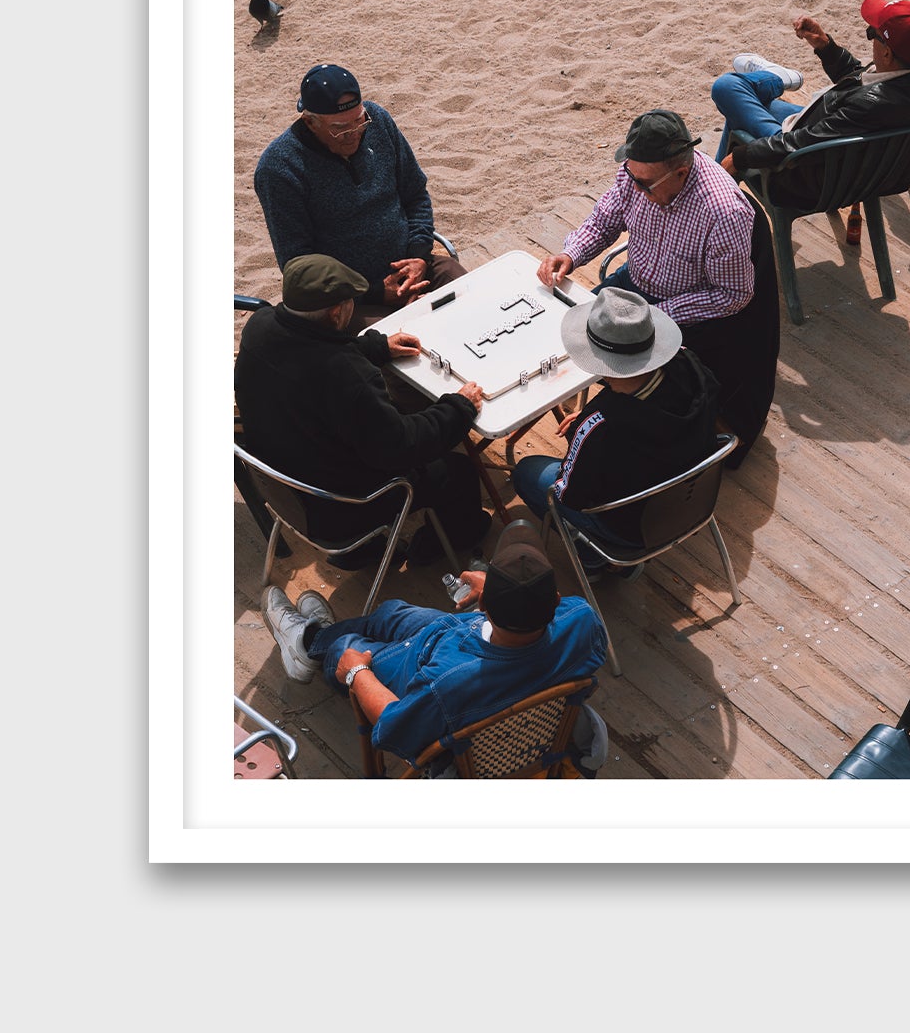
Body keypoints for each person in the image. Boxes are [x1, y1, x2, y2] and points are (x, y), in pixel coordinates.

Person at [260, 517, 609, 772]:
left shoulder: (447, 684)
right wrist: (503, 589)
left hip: (427, 664)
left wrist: (357, 673)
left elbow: (394, 724)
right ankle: (318, 637)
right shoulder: (583, 620)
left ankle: (308, 643)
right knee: (391, 613)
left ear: (483, 605)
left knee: (346, 648)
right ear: (556, 599)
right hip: (461, 639)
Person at [536, 109, 773, 464]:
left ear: (680, 173)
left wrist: (657, 316)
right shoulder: (637, 171)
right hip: (632, 286)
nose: (633, 187)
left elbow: (733, 294)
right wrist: (571, 253)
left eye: (644, 184)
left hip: (686, 312)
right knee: (563, 335)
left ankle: (599, 426)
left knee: (628, 384)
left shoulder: (725, 213)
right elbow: (605, 220)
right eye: (630, 176)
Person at [234, 252, 491, 561]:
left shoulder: (259, 326)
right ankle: (440, 546)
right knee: (458, 471)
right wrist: (458, 407)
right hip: (342, 505)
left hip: (281, 481)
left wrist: (377, 346)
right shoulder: (349, 377)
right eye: (351, 302)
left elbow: (309, 352)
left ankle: (362, 552)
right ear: (336, 312)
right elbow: (403, 447)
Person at [513, 289, 721, 571]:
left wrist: (583, 431)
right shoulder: (695, 369)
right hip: (692, 503)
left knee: (527, 472)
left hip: (630, 527)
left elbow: (569, 494)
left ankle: (593, 559)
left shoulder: (600, 423)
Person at [254, 62, 465, 326]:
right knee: (406, 335)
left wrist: (418, 257)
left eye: (359, 121)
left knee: (472, 293)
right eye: (340, 128)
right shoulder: (279, 168)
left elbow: (415, 195)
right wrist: (374, 292)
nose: (354, 135)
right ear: (309, 122)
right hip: (347, 297)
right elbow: (299, 264)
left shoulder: (377, 120)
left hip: (412, 265)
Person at [710, 0, 910, 208]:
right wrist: (826, 47)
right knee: (740, 107)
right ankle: (712, 194)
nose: (870, 37)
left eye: (872, 33)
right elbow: (861, 83)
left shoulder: (871, 105)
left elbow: (803, 144)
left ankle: (776, 78)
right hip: (849, 161)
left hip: (806, 175)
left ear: (887, 53)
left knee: (727, 88)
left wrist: (741, 157)